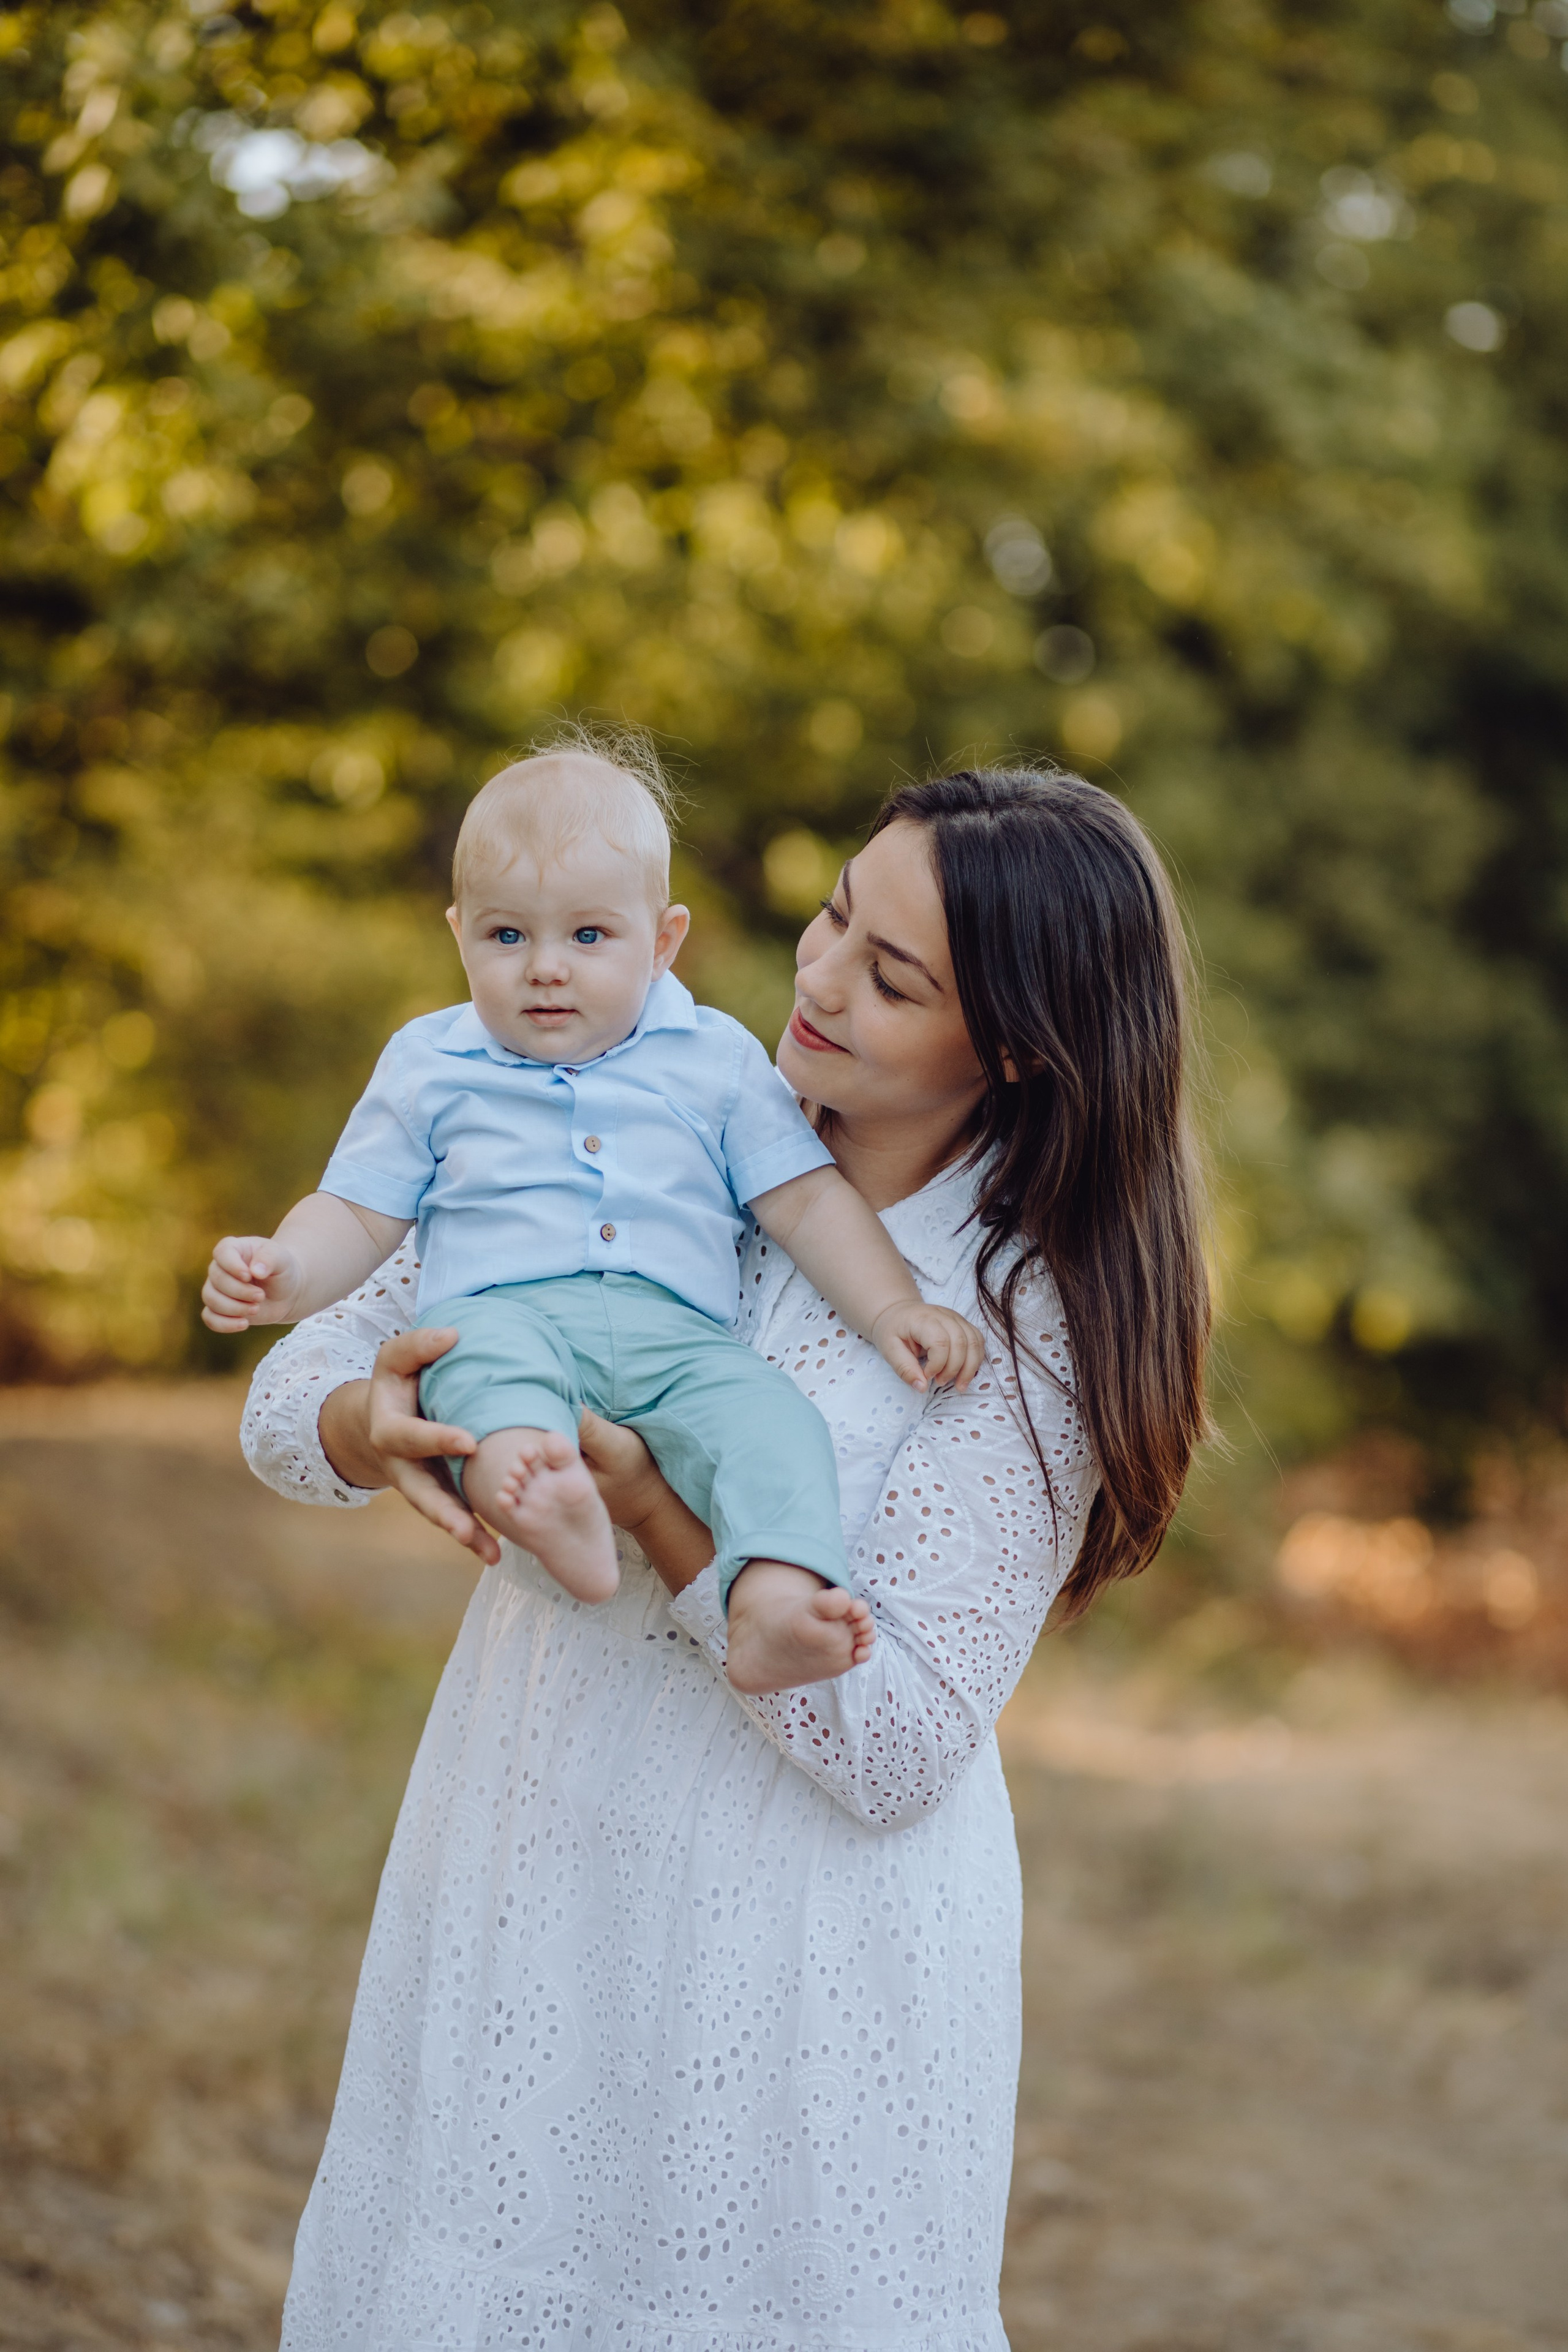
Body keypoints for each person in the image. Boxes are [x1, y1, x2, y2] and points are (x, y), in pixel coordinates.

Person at [241, 760, 1210, 2352]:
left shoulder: (1016, 1322)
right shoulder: (657, 1098)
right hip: (536, 1862)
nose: (816, 980)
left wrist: (655, 1519)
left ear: (1020, 1046)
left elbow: (895, 1746)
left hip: (790, 1970)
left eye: (890, 977)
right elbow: (302, 1379)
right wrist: (371, 1425)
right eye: (835, 916)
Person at [206, 748, 981, 1694]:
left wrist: (893, 1309)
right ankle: (541, 1499)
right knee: (487, 1381)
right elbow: (357, 1215)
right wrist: (285, 1267)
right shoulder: (432, 1064)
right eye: (505, 937)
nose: (544, 970)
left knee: (774, 1422)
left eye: (587, 936)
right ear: (458, 936)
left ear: (662, 941)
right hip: (507, 1317)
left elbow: (810, 1201)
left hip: (680, 1342)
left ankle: (775, 1597)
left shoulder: (717, 1061)